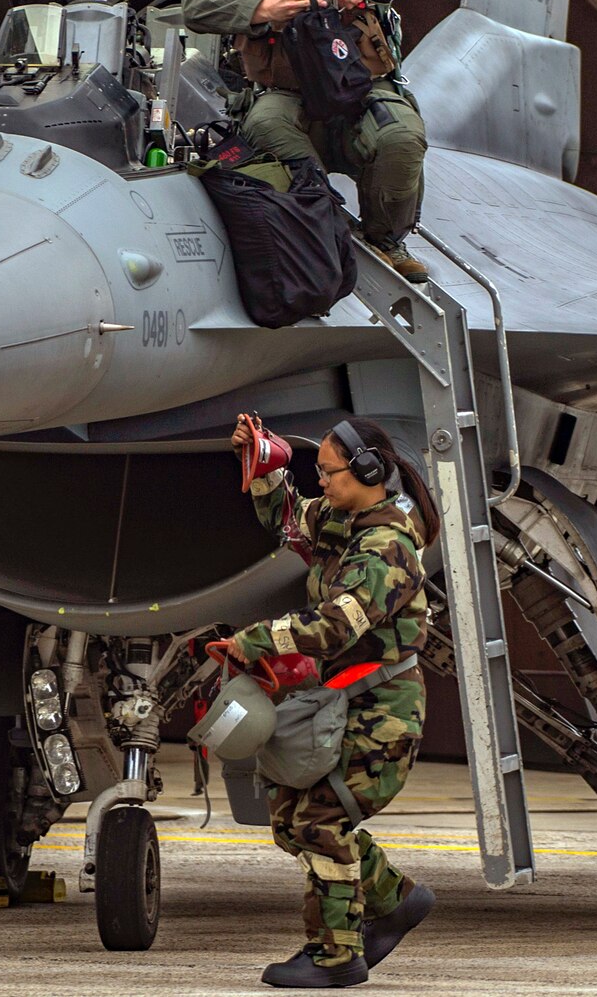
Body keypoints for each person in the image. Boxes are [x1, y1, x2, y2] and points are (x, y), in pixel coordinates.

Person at [221, 414, 439, 987]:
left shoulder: (386, 546)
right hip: (345, 701)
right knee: (291, 818)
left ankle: (336, 955)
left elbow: (337, 627)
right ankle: (395, 900)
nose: (320, 483)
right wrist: (267, 465)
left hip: (383, 713)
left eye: (328, 472)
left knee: (321, 819)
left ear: (367, 470)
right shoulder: (341, 518)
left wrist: (254, 641)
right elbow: (289, 519)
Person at [182, 0, 455, 284]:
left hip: (364, 87)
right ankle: (321, 230)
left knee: (402, 137)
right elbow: (195, 2)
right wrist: (262, 11)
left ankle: (386, 242)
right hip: (285, 92)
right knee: (264, 127)